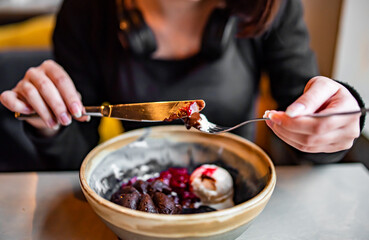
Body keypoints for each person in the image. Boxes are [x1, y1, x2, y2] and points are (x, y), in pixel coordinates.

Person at [0, 0, 365, 170]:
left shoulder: (270, 6)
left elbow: (309, 130)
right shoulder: (85, 12)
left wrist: (334, 123)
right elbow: (76, 157)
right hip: (137, 193)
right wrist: (50, 124)